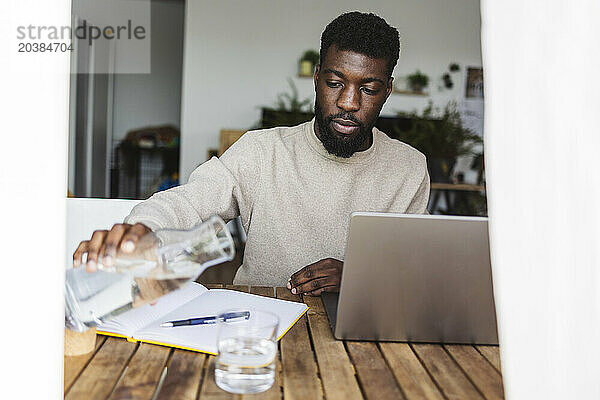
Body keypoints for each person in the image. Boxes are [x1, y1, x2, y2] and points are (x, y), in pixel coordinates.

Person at [73, 11, 430, 296]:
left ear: (387, 91)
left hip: (358, 335)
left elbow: (412, 271)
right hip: (259, 325)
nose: (348, 103)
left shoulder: (409, 169)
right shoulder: (261, 152)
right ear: (317, 77)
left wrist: (358, 276)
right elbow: (187, 203)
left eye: (368, 88)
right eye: (335, 83)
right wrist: (140, 230)